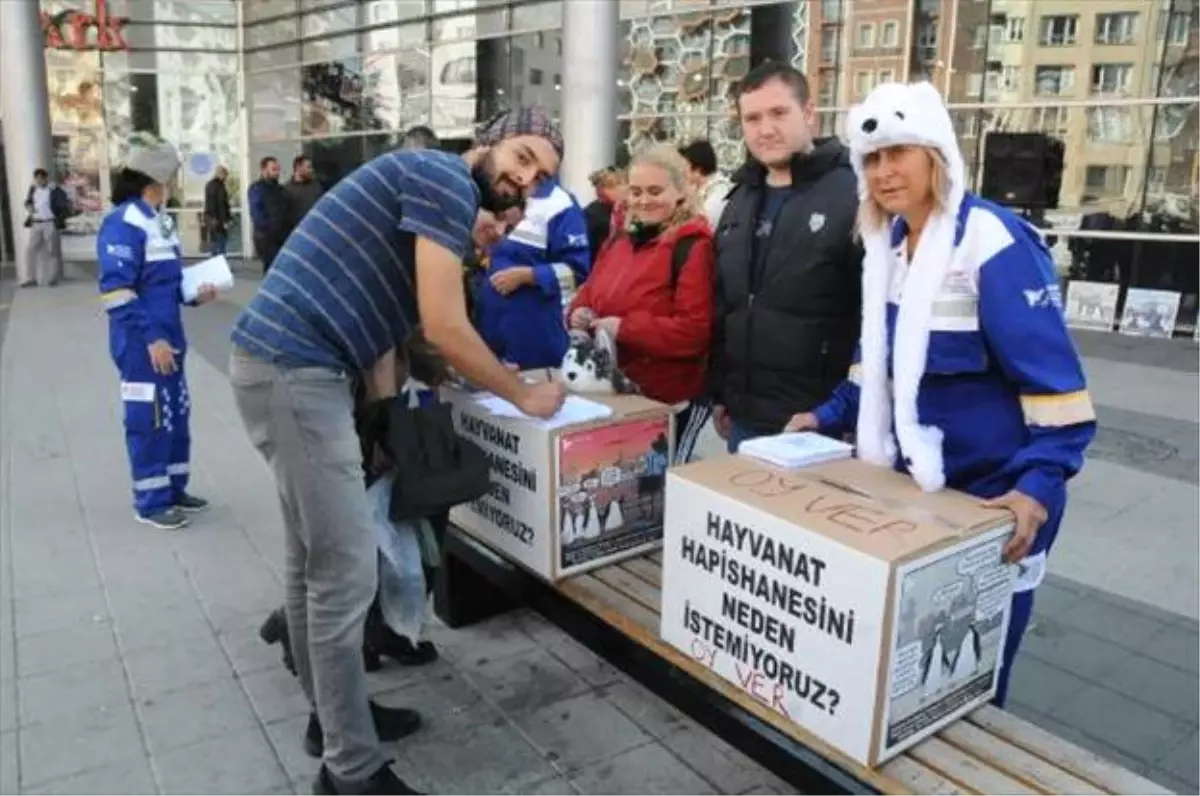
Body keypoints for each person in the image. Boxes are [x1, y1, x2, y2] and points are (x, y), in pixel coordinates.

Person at [228, 107, 566, 796]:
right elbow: (444, 322)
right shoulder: (442, 176)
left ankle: (335, 722)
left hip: (288, 368)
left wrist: (470, 381)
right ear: (489, 142)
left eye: (541, 176)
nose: (526, 179)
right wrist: (523, 397)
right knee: (345, 573)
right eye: (524, 156)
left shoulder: (431, 192)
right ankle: (350, 772)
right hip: (298, 371)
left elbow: (418, 335)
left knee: (311, 565)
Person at [788, 81, 1096, 708]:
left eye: (899, 151)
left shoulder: (992, 239)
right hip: (911, 498)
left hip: (993, 507)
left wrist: (1037, 489)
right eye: (871, 158)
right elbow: (878, 367)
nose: (884, 170)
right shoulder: (889, 247)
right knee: (909, 683)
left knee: (970, 688)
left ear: (937, 154)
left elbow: (1059, 395)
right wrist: (824, 416)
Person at [709, 61, 862, 452]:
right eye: (753, 118)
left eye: (779, 113)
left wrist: (841, 411)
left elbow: (876, 320)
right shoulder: (739, 199)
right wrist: (720, 392)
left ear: (808, 113)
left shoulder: (853, 193)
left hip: (821, 425)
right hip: (745, 419)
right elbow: (725, 306)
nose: (765, 129)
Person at [96, 141, 219, 530]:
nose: (176, 184)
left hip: (170, 339)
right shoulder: (123, 223)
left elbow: (167, 283)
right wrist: (152, 338)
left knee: (175, 415)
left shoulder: (158, 220)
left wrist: (196, 294)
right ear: (157, 179)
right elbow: (116, 292)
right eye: (172, 176)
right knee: (147, 418)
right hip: (142, 343)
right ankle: (149, 502)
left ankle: (173, 488)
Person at [568, 145, 715, 463]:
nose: (643, 200)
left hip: (666, 403)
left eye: (655, 190)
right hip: (614, 394)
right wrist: (578, 312)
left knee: (657, 496)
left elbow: (694, 332)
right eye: (635, 191)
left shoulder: (693, 246)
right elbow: (591, 290)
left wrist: (625, 328)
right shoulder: (619, 239)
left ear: (679, 192)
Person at [476, 173, 591, 369]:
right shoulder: (496, 191)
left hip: (535, 345)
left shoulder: (559, 203)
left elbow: (577, 271)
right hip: (491, 340)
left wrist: (529, 276)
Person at [21, 168, 71, 288]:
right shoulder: (33, 189)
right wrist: (29, 207)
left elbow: (64, 201)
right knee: (30, 250)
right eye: (36, 179)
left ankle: (53, 277)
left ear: (45, 179)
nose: (38, 181)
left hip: (49, 222)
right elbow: (28, 201)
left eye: (41, 179)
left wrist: (57, 188)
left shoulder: (53, 189)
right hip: (36, 222)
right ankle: (31, 278)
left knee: (52, 250)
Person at [678, 139, 733, 229]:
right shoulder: (700, 189)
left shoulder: (719, 191)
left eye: (685, 167)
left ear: (697, 169)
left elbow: (703, 223)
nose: (682, 172)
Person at [248, 156, 289, 273]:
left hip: (280, 236)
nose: (277, 172)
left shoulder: (280, 189)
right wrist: (271, 227)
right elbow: (256, 213)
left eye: (278, 169)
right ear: (264, 170)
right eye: (274, 169)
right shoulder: (257, 188)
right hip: (265, 237)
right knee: (271, 268)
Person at [582, 167, 625, 262]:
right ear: (599, 191)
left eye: (623, 183)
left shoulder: (625, 210)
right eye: (613, 186)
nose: (623, 188)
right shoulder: (593, 214)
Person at [284, 155, 325, 234]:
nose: (311, 170)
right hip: (298, 233)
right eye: (308, 167)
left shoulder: (316, 186)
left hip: (317, 230)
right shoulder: (287, 190)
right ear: (298, 168)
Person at [203, 165, 232, 256]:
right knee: (220, 243)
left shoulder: (210, 185)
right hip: (218, 220)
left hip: (211, 218)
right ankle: (220, 265)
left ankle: (215, 263)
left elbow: (211, 204)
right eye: (225, 175)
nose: (226, 178)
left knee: (215, 243)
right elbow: (221, 205)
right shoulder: (219, 187)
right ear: (221, 174)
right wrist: (225, 221)